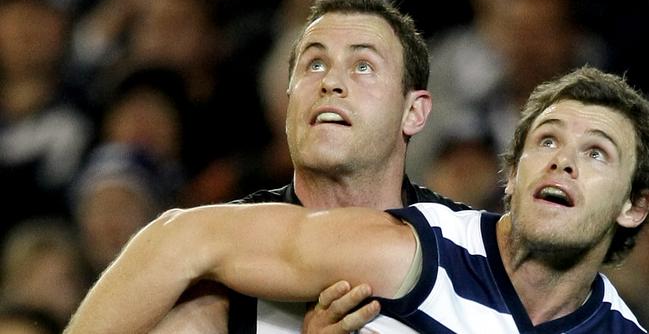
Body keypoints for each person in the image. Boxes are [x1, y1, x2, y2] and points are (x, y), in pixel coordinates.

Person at [64, 66, 649, 333]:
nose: (563, 160)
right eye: (546, 140)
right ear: (513, 174)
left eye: (598, 153)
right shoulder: (413, 254)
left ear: (633, 205)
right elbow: (180, 238)